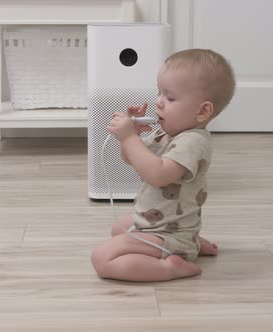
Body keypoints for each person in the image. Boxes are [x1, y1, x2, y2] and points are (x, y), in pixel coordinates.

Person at [91, 49, 236, 282]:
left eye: (169, 98)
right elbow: (133, 160)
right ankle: (193, 242)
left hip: (168, 232)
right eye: (159, 93)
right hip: (162, 224)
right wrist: (133, 139)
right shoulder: (165, 134)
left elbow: (158, 175)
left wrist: (129, 138)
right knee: (118, 227)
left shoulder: (193, 142)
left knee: (102, 258)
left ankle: (173, 266)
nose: (158, 102)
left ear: (203, 111)